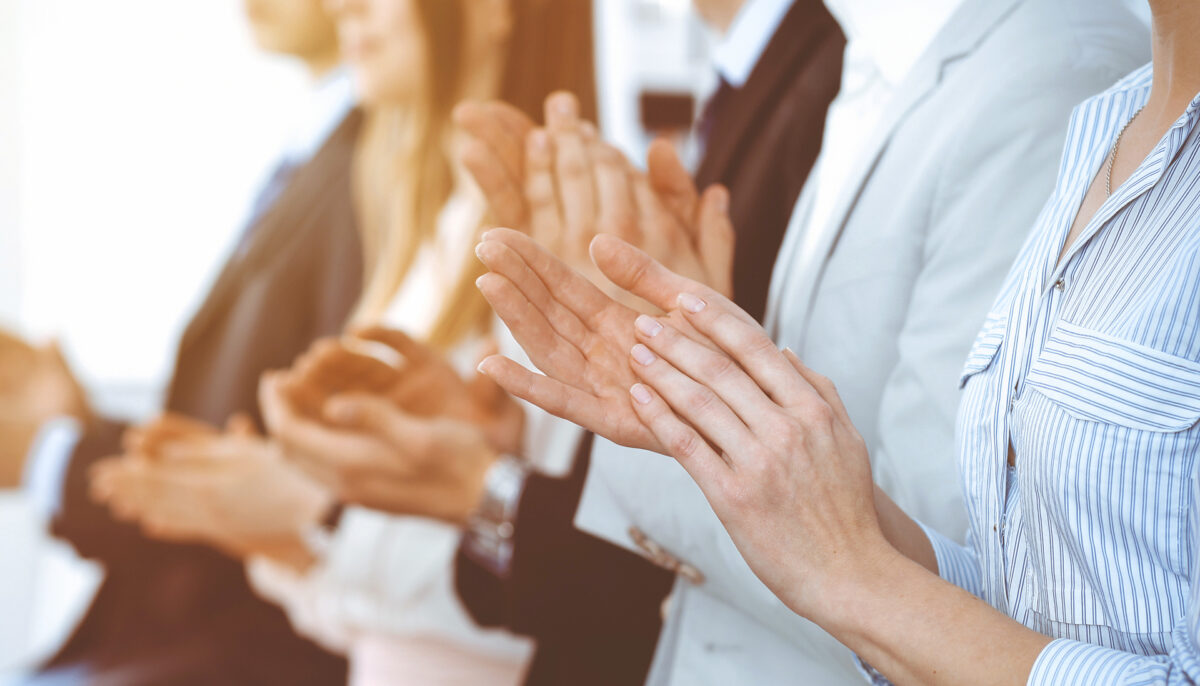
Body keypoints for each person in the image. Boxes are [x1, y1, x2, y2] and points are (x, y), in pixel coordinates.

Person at [279, 0, 1149, 681]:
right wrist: (685, 362)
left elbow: (945, 582)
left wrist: (678, 387)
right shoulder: (881, 53)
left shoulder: (1043, 68)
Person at [263, 0, 845, 683]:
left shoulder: (563, 214)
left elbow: (630, 571)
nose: (343, 7)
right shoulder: (432, 214)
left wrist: (312, 528)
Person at [94, 0, 599, 684]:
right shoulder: (429, 231)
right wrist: (284, 537)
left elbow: (573, 592)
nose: (343, 6)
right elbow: (372, 625)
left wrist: (318, 516)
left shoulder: (564, 239)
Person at [6, 0, 360, 683]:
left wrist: (51, 453)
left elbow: (290, 476)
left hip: (247, 641)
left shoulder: (369, 165)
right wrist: (75, 428)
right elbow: (227, 428)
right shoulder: (311, 150)